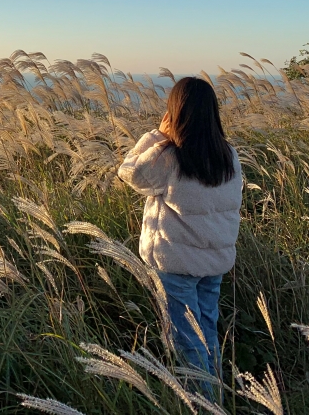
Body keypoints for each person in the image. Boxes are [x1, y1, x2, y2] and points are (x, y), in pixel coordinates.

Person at [117, 76, 242, 386]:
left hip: (176, 265)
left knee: (187, 342)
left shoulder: (170, 157)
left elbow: (129, 172)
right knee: (207, 332)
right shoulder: (229, 155)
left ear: (175, 113)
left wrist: (157, 135)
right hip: (212, 265)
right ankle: (217, 395)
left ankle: (203, 403)